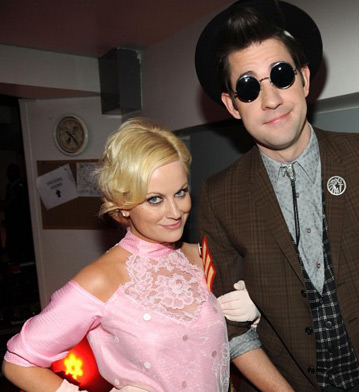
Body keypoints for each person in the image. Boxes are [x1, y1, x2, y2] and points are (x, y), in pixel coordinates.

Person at [195, 0, 359, 392]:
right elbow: (230, 328)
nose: (270, 100)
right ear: (232, 106)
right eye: (248, 88)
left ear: (303, 78)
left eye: (280, 75)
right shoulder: (219, 197)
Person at [2, 118, 236, 392]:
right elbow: (18, 362)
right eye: (155, 199)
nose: (175, 211)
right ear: (123, 205)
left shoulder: (199, 257)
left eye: (181, 193)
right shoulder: (102, 279)